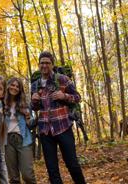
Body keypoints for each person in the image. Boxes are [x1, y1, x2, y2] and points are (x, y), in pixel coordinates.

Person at [31, 51, 86, 184]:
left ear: (52, 64)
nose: (44, 65)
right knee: (52, 169)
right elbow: (34, 108)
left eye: (47, 63)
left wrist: (64, 96)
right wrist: (34, 101)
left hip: (63, 127)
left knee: (72, 164)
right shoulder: (35, 84)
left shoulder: (62, 79)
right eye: (42, 63)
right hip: (45, 131)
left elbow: (78, 97)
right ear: (39, 64)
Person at [3, 77, 37, 184]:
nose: (14, 88)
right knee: (14, 178)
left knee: (28, 175)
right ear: (7, 86)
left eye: (17, 86)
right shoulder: (0, 104)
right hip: (7, 142)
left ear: (20, 89)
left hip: (24, 139)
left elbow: (31, 125)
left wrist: (27, 115)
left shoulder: (25, 104)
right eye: (12, 85)